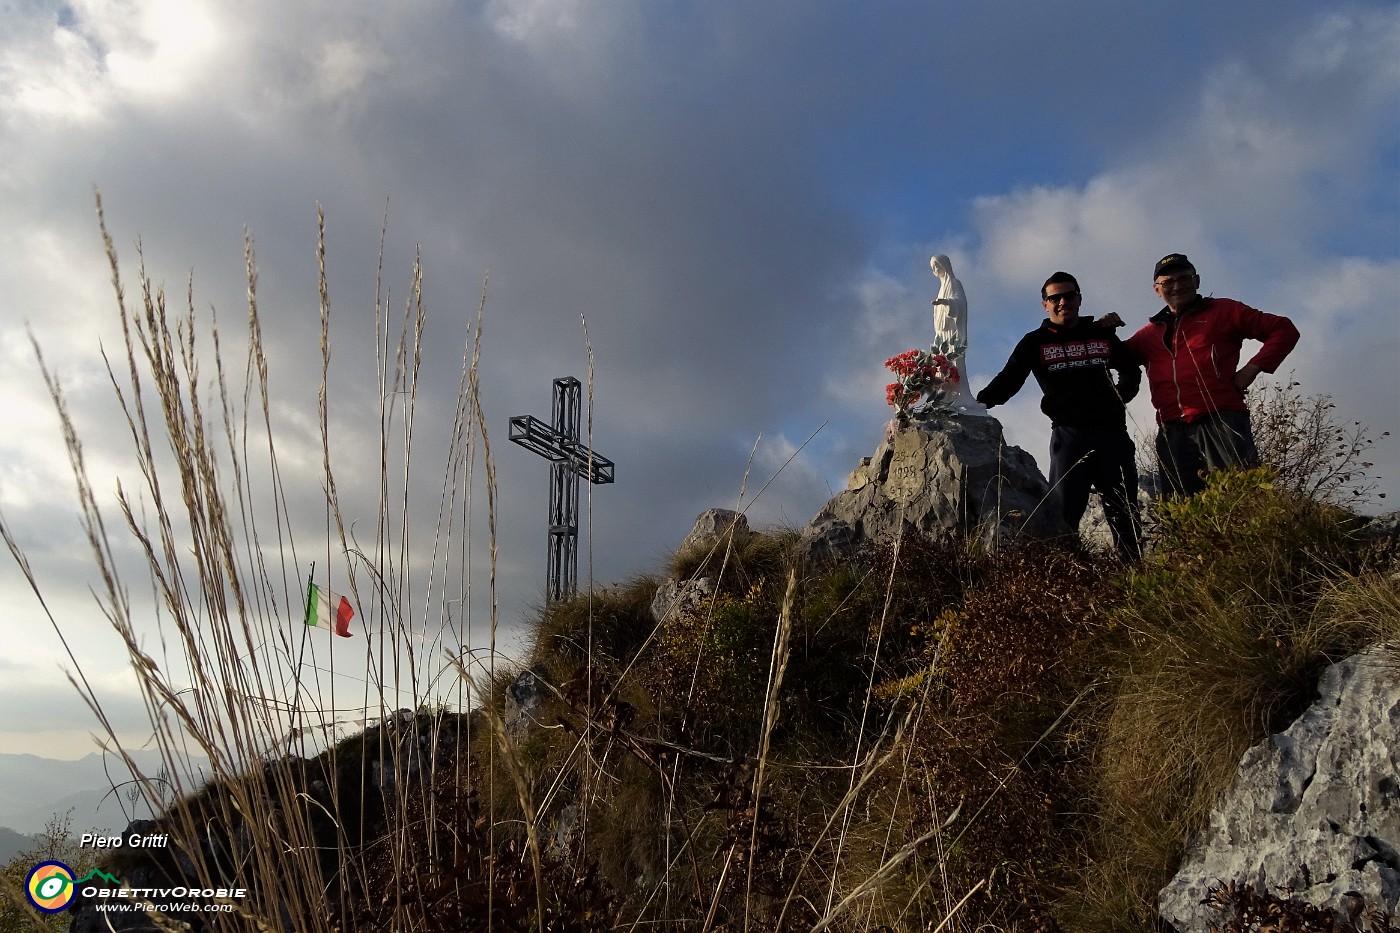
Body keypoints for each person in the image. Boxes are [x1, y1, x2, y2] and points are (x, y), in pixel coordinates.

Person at [976, 272, 1143, 560]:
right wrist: (973, 405)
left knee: (1125, 513)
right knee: (1064, 516)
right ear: (1045, 304)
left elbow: (1131, 370)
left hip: (1112, 435)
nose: (1063, 302)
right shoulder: (1035, 343)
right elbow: (1007, 382)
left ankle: (1133, 576)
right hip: (1069, 438)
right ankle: (1071, 580)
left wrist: (1119, 397)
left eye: (1069, 296)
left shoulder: (1102, 333)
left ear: (1079, 299)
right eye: (1055, 298)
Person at [1123, 253, 1299, 497]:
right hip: (1172, 429)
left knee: (1240, 497)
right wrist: (1102, 329)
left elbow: (1283, 329)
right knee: (1180, 506)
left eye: (1184, 278)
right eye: (1168, 282)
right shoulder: (1149, 333)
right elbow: (1113, 356)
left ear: (1197, 281)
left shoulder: (1224, 311)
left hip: (1221, 419)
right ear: (1157, 290)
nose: (1177, 286)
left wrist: (1251, 369)